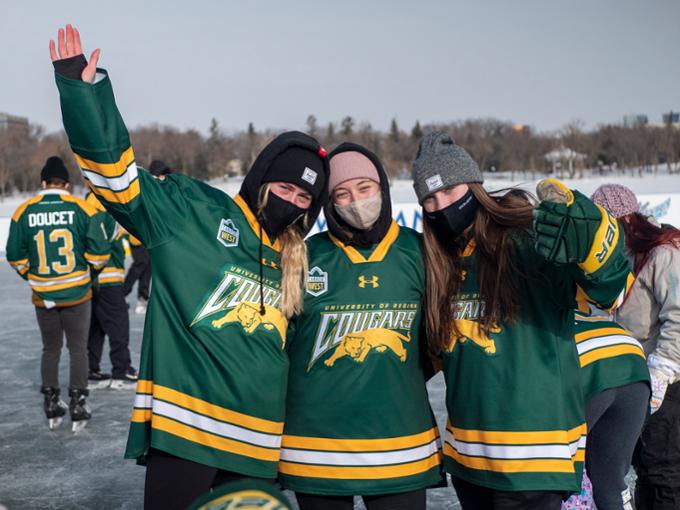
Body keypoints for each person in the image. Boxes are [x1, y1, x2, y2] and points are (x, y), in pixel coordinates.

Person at [49, 24, 329, 509]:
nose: (293, 203)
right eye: (285, 189)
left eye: (305, 198)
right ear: (262, 180)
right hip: (188, 433)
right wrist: (84, 93)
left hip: (260, 443)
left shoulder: (295, 259)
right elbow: (115, 177)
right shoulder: (193, 212)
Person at [412, 132, 631, 509]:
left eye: (450, 190)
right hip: (470, 461)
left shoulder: (529, 240)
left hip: (533, 457)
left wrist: (593, 244)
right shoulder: (439, 263)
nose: (441, 205)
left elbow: (610, 290)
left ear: (475, 185)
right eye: (429, 198)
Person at [281, 144, 443, 510]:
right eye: (342, 193)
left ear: (382, 189)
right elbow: (279, 344)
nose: (355, 200)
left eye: (364, 188)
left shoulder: (419, 251)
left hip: (401, 442)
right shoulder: (304, 256)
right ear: (329, 202)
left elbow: (438, 340)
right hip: (316, 448)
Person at [591, 184, 680, 510]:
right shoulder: (612, 258)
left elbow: (679, 317)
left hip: (665, 381)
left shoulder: (663, 253)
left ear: (626, 218)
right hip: (628, 380)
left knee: (664, 468)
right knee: (643, 465)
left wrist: (662, 370)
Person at [6, 156, 110, 432]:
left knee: (50, 349)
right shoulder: (81, 207)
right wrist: (89, 275)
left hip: (44, 294)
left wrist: (34, 277)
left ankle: (51, 401)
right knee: (78, 349)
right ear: (66, 183)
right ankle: (77, 402)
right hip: (77, 292)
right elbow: (100, 254)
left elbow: (14, 256)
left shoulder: (23, 211)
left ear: (42, 182)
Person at [85, 191, 138, 389]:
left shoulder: (90, 205)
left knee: (96, 326)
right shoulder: (102, 204)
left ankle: (90, 369)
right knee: (118, 325)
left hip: (92, 280)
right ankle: (121, 370)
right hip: (108, 277)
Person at [122, 160, 169, 314]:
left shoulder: (161, 191)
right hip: (138, 236)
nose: (163, 178)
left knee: (148, 267)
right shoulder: (144, 188)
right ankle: (123, 292)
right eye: (161, 175)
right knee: (140, 264)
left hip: (149, 236)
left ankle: (143, 298)